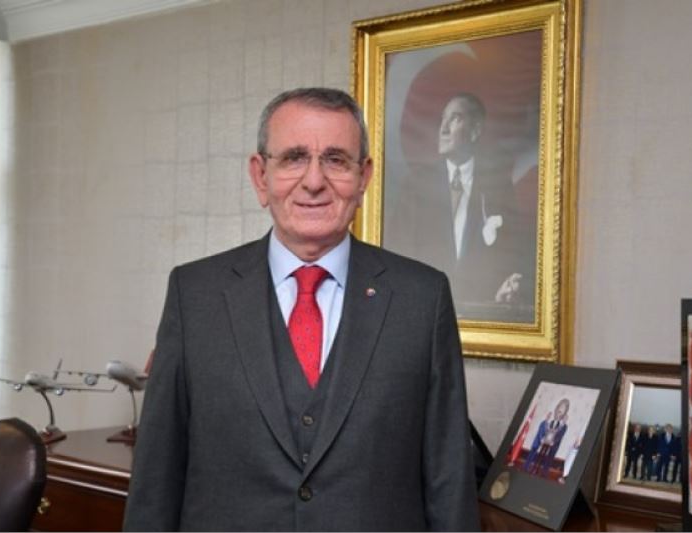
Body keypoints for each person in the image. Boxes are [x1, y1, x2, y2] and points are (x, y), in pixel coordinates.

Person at [123, 88, 480, 531]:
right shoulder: (194, 295)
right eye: (294, 158)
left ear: (364, 177)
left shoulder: (422, 298)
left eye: (336, 160)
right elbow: (156, 480)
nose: (314, 181)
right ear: (261, 176)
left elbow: (449, 480)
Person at [386, 93, 537, 322]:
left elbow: (512, 251)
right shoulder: (416, 185)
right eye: (442, 119)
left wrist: (505, 286)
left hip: (481, 314)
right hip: (424, 314)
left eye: (455, 118)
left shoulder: (497, 185)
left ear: (475, 131)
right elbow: (397, 251)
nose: (443, 129)